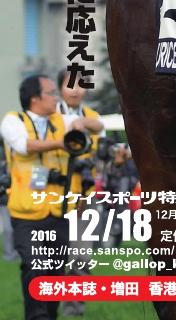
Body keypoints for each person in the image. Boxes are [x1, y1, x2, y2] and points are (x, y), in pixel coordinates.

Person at [0, 75, 98, 320]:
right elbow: (23, 145)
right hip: (26, 214)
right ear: (35, 99)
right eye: (51, 93)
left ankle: (49, 316)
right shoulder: (13, 120)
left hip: (58, 213)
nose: (57, 98)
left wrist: (80, 123)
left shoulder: (62, 120)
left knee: (55, 273)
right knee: (34, 266)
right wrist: (61, 143)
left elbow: (98, 127)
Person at [56, 71, 105, 318]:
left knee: (81, 256)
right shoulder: (50, 115)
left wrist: (81, 123)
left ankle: (74, 310)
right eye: (69, 85)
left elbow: (100, 128)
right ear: (59, 88)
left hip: (84, 197)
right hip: (54, 195)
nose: (75, 90)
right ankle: (46, 307)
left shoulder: (91, 116)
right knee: (50, 257)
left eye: (80, 85)